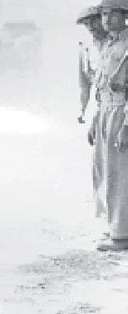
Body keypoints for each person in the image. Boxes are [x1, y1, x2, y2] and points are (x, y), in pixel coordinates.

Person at [92, 0, 128, 251]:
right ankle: (113, 226)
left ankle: (122, 233)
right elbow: (101, 84)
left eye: (110, 14)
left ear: (123, 15)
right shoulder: (108, 44)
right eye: (103, 14)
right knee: (104, 172)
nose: (104, 19)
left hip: (121, 113)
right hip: (105, 111)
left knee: (120, 175)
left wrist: (126, 125)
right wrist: (95, 120)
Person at [77, 6, 107, 127]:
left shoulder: (119, 42)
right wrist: (82, 109)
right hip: (98, 102)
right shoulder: (86, 47)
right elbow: (84, 82)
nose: (91, 27)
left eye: (94, 21)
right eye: (86, 24)